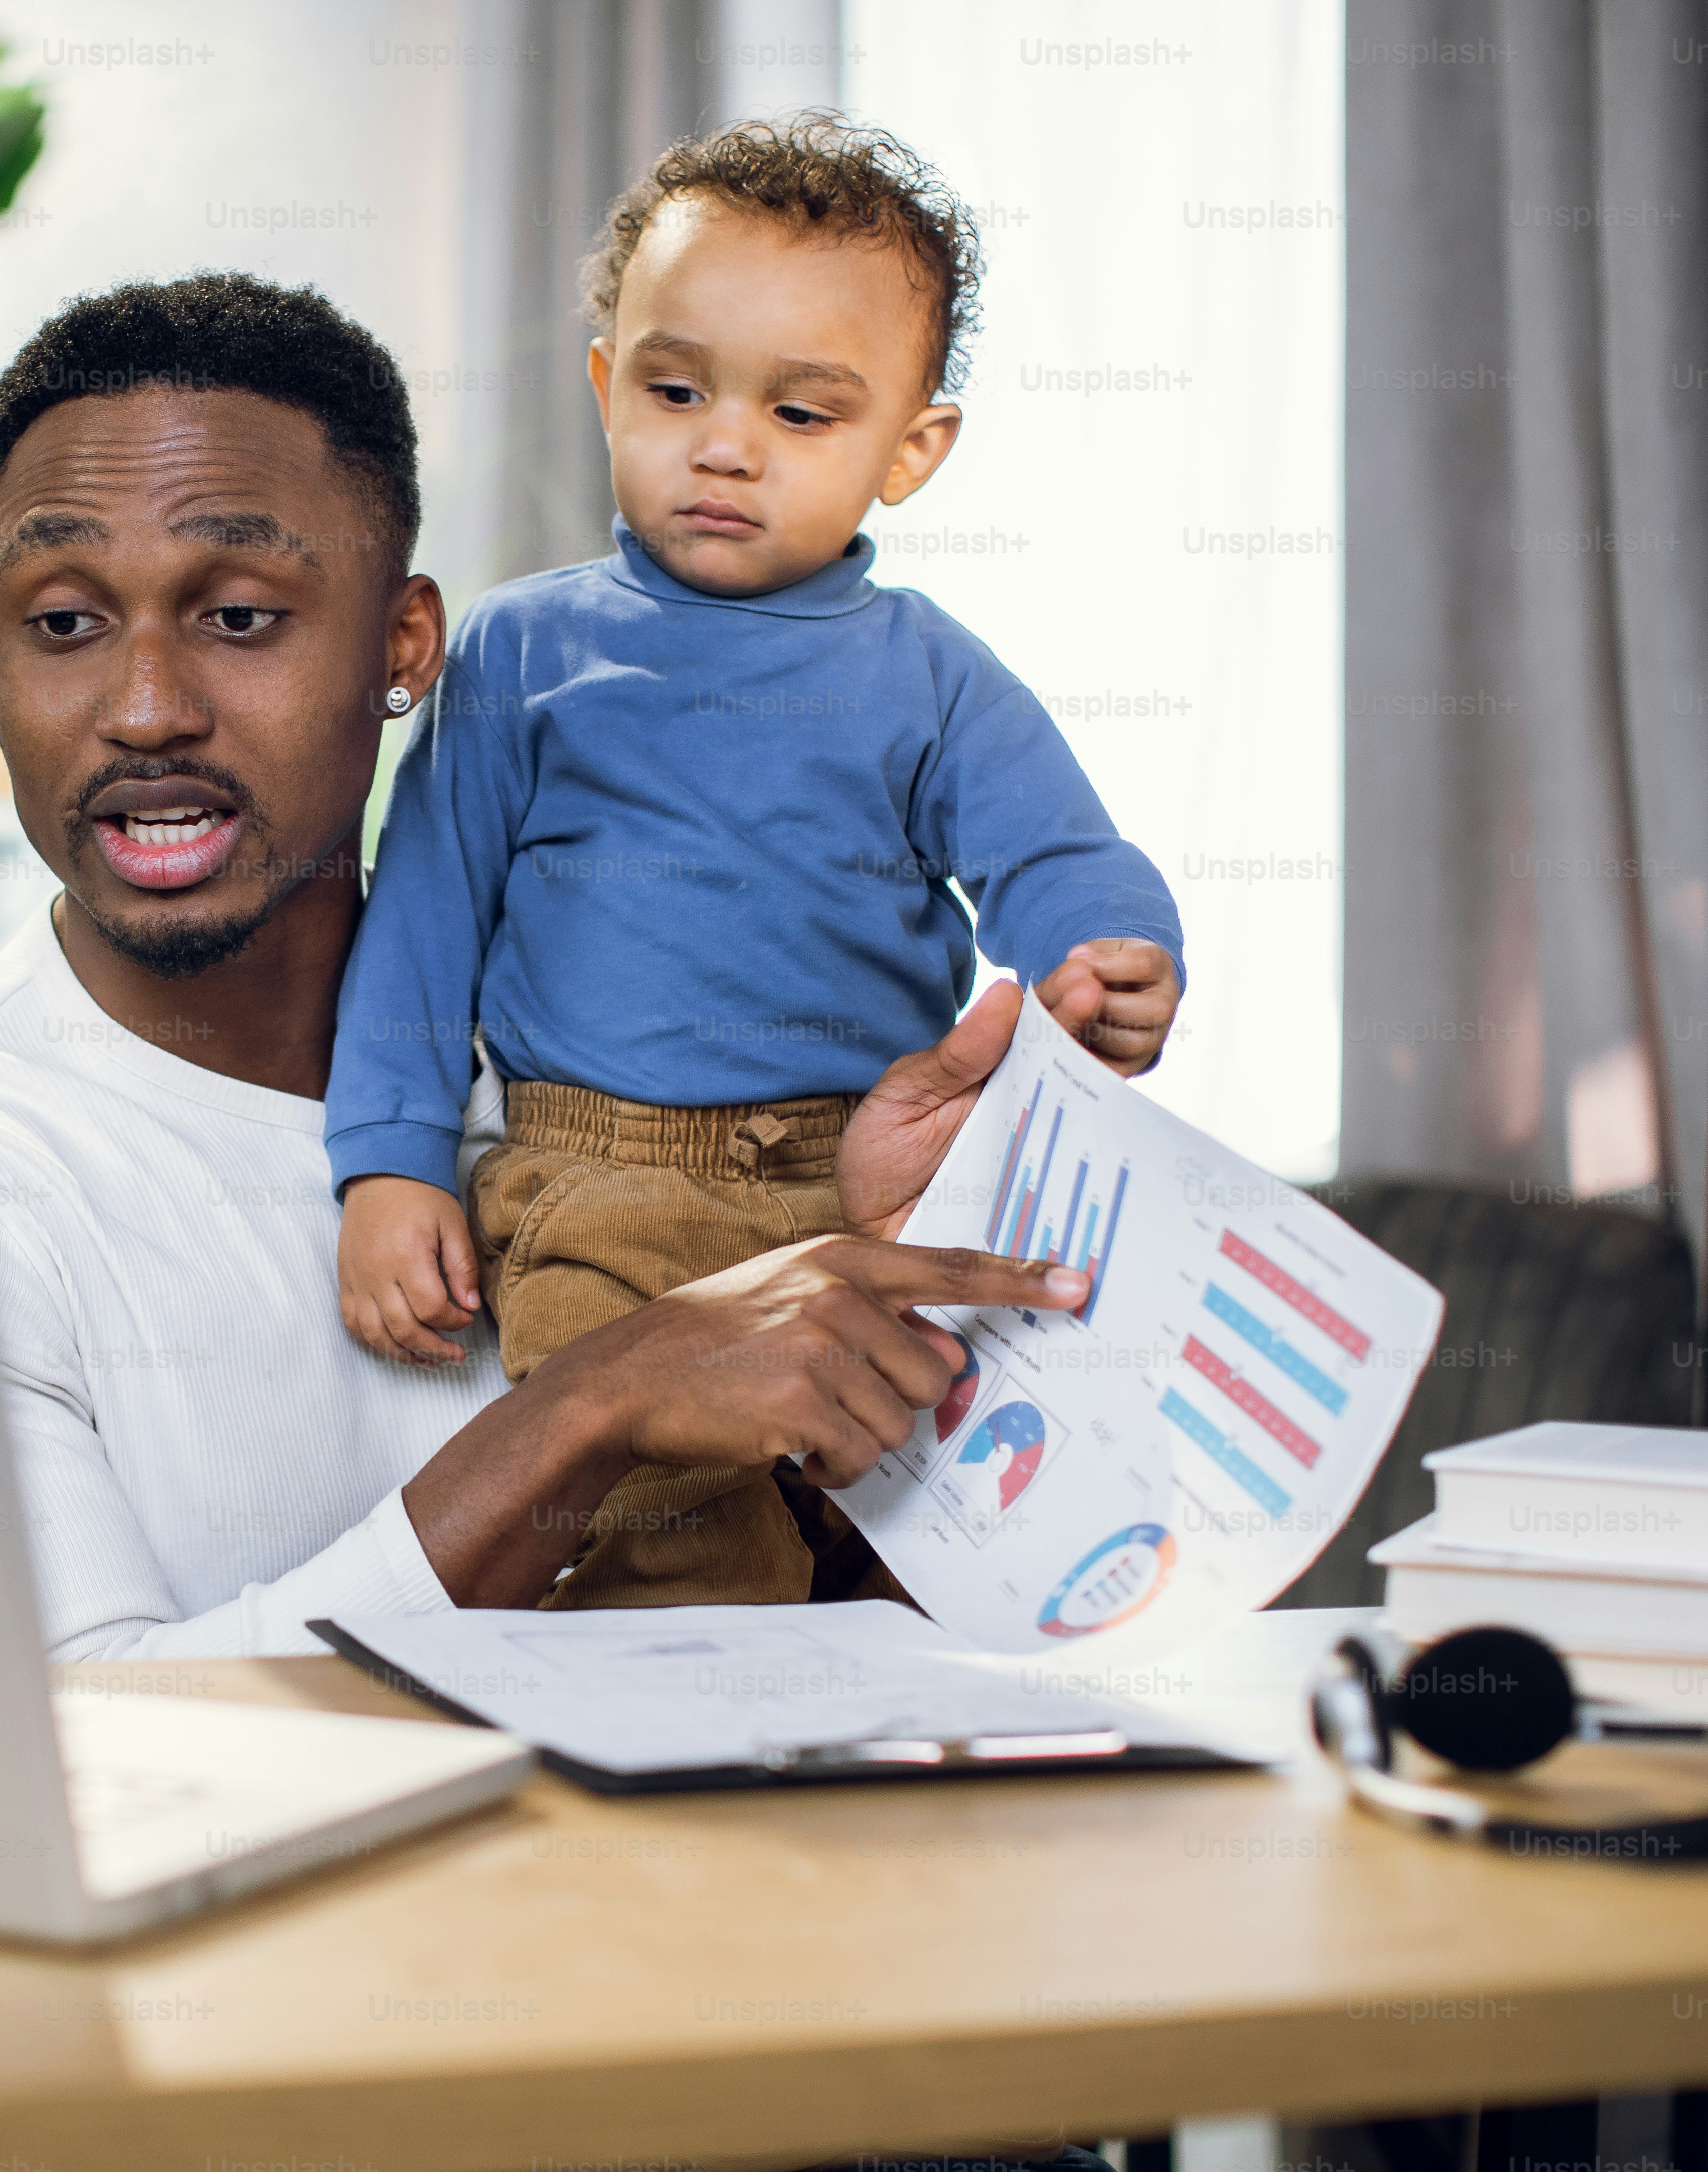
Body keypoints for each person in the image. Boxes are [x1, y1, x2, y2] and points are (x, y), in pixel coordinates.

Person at [0, 270, 1085, 1663]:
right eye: (62, 621)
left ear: (404, 645)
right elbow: (87, 1746)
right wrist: (592, 1408)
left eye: (238, 616)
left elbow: (943, 1678)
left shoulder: (624, 1050)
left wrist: (887, 1292)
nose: (146, 709)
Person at [325, 114, 1185, 1612]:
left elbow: (1058, 858)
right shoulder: (525, 651)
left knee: (925, 1550)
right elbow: (420, 921)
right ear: (607, 387)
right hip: (603, 1195)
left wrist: (1104, 947)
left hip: (874, 1189)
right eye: (675, 389)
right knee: (679, 1547)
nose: (722, 444)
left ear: (908, 450)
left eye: (802, 415)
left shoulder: (930, 678)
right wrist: (388, 1164)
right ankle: (659, 1799)